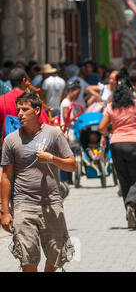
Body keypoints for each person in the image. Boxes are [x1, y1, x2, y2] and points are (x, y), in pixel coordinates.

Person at [1, 92, 77, 272]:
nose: (20, 113)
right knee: (28, 258)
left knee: (57, 256)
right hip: (23, 204)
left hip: (52, 203)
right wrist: (4, 211)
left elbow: (72, 165)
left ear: (36, 110)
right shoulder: (11, 140)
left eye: (25, 109)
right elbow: (5, 177)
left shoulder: (54, 134)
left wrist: (51, 159)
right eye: (18, 109)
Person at [99, 81, 136, 229]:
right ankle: (131, 205)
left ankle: (131, 213)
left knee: (124, 180)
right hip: (135, 143)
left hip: (116, 145)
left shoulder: (110, 107)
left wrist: (110, 132)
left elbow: (101, 127)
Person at [59, 80, 82, 187]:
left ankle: (69, 180)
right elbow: (65, 117)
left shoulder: (69, 102)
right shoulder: (66, 102)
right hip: (67, 132)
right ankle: (65, 180)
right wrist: (75, 119)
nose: (77, 96)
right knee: (66, 157)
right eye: (77, 93)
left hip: (70, 131)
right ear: (71, 91)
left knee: (69, 156)